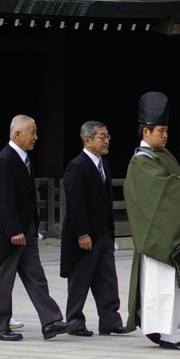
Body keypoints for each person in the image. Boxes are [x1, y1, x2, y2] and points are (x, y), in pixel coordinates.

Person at [123, 92, 180, 350]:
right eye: (160, 130)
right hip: (160, 235)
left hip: (172, 230)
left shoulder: (164, 155)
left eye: (166, 130)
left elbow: (176, 184)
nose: (165, 135)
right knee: (161, 285)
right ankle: (164, 331)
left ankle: (165, 327)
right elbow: (159, 191)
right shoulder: (141, 161)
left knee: (176, 283)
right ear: (145, 132)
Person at [0, 115, 78, 341]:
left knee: (36, 275)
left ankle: (51, 320)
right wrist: (14, 230)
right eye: (32, 132)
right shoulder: (5, 159)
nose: (36, 137)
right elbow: (4, 199)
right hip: (12, 232)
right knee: (4, 279)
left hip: (26, 229)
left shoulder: (24, 158)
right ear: (17, 134)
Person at [60, 120, 126, 336]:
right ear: (87, 140)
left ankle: (110, 321)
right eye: (101, 137)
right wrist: (82, 233)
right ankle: (75, 321)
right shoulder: (77, 166)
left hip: (104, 232)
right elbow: (75, 204)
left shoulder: (103, 164)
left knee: (107, 277)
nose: (106, 141)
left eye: (108, 136)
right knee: (80, 278)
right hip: (85, 233)